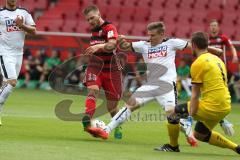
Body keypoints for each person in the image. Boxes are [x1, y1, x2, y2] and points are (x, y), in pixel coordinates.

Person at [87, 22, 223, 146]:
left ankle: (188, 132)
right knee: (129, 105)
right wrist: (121, 40)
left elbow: (196, 46)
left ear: (162, 34)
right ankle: (106, 130)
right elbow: (126, 46)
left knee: (172, 114)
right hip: (150, 85)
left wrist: (214, 50)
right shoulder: (143, 45)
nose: (150, 37)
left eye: (153, 35)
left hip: (167, 85)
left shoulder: (172, 43)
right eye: (149, 34)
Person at [154, 31, 240, 154]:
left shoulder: (198, 63)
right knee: (200, 134)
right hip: (225, 106)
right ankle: (237, 148)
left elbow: (194, 95)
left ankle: (173, 146)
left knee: (172, 112)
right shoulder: (217, 59)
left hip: (212, 106)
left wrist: (190, 115)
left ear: (193, 45)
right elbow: (220, 83)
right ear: (206, 44)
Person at [81, 5, 123, 139]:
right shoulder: (93, 30)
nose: (90, 22)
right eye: (88, 20)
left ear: (99, 14)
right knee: (92, 90)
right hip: (95, 66)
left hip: (111, 70)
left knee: (112, 107)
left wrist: (98, 46)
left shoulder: (109, 27)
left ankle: (117, 124)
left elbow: (111, 46)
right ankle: (87, 118)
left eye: (92, 18)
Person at [0, 0, 36, 125]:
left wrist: (22, 25)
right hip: (4, 53)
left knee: (7, 84)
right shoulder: (1, 13)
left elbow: (33, 31)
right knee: (12, 81)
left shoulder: (23, 12)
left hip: (18, 54)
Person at [209, 19, 236, 136]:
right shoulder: (207, 40)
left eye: (215, 25)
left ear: (218, 27)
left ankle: (222, 119)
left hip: (221, 70)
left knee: (221, 92)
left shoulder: (223, 38)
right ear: (210, 28)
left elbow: (231, 47)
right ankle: (221, 119)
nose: (213, 28)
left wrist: (234, 55)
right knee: (211, 94)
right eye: (212, 26)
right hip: (210, 69)